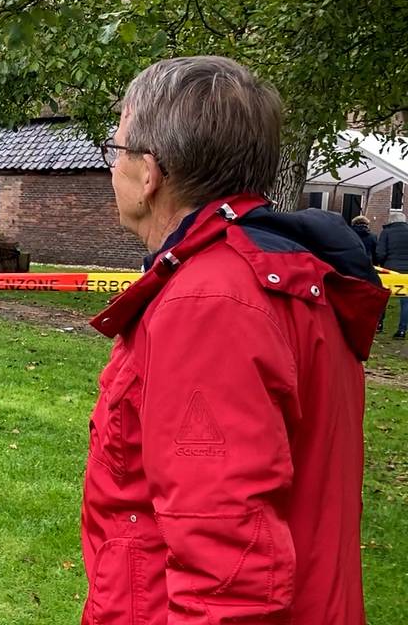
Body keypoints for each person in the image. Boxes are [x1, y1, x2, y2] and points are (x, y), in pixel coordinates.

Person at [84, 56, 387, 625]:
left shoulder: (211, 303)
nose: (111, 169)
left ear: (150, 174)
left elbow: (227, 571)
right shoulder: (281, 276)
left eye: (115, 149)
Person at [377, 210, 408, 338]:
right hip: (407, 271)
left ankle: (379, 324)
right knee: (405, 301)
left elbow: (380, 252)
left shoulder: (387, 232)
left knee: (382, 297)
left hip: (390, 269)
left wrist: (381, 264)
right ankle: (402, 330)